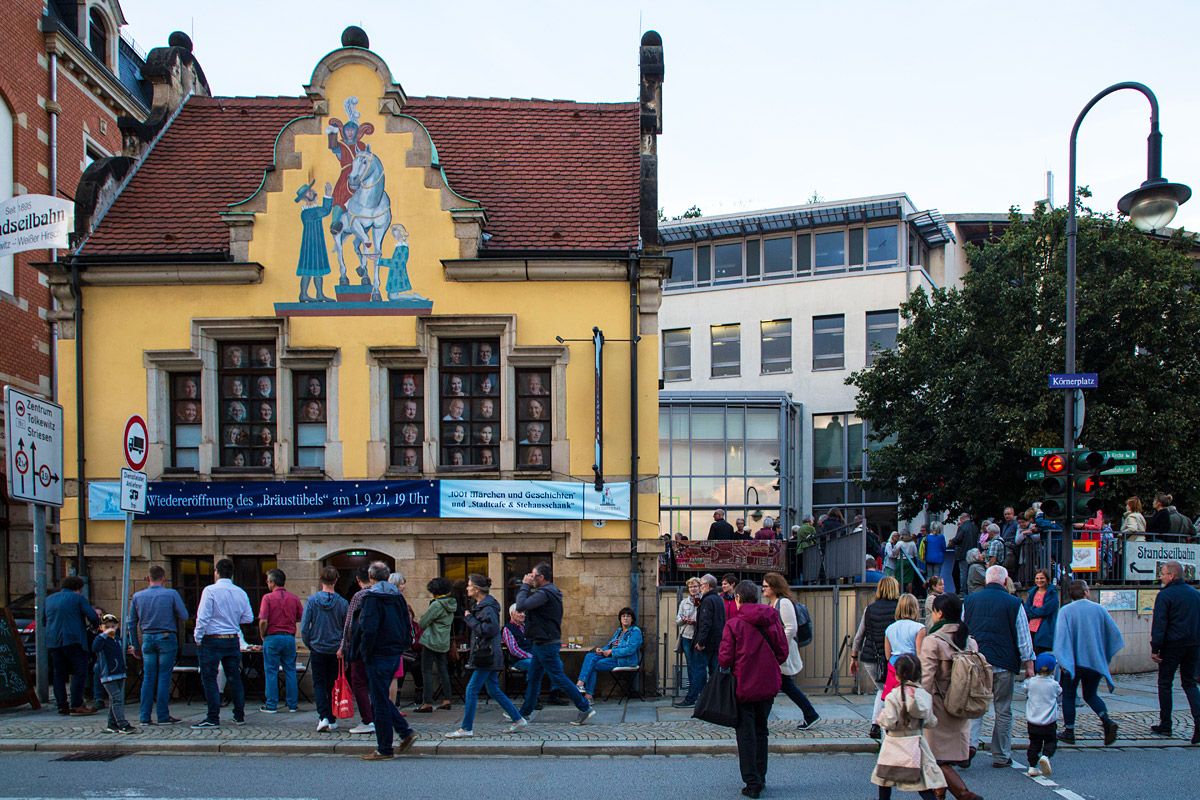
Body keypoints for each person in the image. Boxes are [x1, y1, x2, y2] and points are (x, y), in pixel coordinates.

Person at [718, 579, 788, 799]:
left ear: (738, 598)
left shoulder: (734, 624)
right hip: (767, 683)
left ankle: (752, 782)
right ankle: (761, 775)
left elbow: (725, 658)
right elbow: (782, 651)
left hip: (744, 684)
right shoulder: (771, 617)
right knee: (761, 730)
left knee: (746, 733)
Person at [963, 565, 1035, 768]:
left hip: (977, 663)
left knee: (976, 706)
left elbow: (962, 631)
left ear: (986, 581)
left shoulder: (969, 601)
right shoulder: (1014, 603)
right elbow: (1023, 637)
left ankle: (969, 745)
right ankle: (1001, 755)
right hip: (1004, 663)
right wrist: (1029, 663)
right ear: (1005, 582)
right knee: (1003, 710)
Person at [445, 574, 528, 737]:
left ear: (476, 589)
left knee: (471, 689)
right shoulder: (483, 605)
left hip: (486, 655)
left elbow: (489, 630)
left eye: (469, 585)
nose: (467, 588)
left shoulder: (487, 607)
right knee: (493, 690)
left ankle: (466, 728)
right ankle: (518, 719)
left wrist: (469, 619)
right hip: (487, 654)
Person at [351, 562, 418, 760]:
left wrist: (364, 651)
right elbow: (407, 623)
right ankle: (402, 733)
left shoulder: (372, 597)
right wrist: (403, 644)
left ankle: (386, 747)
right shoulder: (397, 597)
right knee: (380, 697)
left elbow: (368, 628)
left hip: (377, 653)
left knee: (379, 701)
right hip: (394, 652)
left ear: (371, 578)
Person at [515, 562, 596, 724]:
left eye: (533, 575)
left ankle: (584, 707)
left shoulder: (545, 593)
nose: (531, 578)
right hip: (541, 642)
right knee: (533, 677)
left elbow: (521, 606)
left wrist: (524, 586)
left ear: (541, 577)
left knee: (558, 677)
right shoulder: (548, 592)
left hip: (545, 643)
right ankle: (524, 713)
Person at [920, 593, 982, 800]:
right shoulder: (969, 641)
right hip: (962, 703)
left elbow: (926, 679)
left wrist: (919, 707)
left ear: (940, 613)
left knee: (935, 759)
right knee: (943, 757)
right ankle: (940, 794)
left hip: (938, 706)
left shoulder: (933, 641)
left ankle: (964, 794)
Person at [1053, 579, 1123, 745]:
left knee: (1069, 695)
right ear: (1085, 592)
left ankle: (1069, 730)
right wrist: (1102, 653)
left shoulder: (1066, 611)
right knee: (1091, 694)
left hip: (1073, 662)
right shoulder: (1099, 609)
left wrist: (1062, 659)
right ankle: (1106, 720)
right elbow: (1114, 635)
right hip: (1094, 661)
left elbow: (1061, 638)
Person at [870, 653, 946, 800]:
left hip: (894, 744)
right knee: (921, 782)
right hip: (916, 742)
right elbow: (930, 721)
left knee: (885, 779)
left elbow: (890, 720)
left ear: (897, 675)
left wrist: (881, 719)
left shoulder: (894, 696)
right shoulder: (924, 695)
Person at [192, 558, 253, 728]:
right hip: (232, 638)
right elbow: (248, 617)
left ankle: (213, 717)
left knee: (210, 678)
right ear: (232, 573)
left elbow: (202, 617)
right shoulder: (240, 592)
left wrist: (198, 637)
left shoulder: (210, 590)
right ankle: (239, 715)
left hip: (212, 639)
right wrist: (233, 619)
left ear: (216, 572)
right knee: (234, 678)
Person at [128, 565, 188, 725]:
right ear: (164, 578)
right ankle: (162, 715)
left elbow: (131, 623)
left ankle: (144, 717)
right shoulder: (171, 594)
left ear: (148, 578)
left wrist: (135, 644)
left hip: (147, 638)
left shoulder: (137, 596)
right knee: (164, 677)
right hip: (166, 637)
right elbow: (184, 615)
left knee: (148, 677)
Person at [1149, 560, 1200, 743]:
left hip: (1172, 645)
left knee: (1165, 683)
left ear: (1172, 575)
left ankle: (1166, 724)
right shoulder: (1195, 594)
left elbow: (1160, 624)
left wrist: (1156, 647)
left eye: (1162, 573)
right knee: (1190, 684)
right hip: (1193, 644)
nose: (1160, 576)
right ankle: (1199, 724)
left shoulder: (1165, 595)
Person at [762, 572, 820, 729]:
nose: (763, 589)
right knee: (782, 685)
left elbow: (791, 627)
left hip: (782, 651)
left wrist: (779, 645)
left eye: (766, 586)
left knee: (778, 684)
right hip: (778, 650)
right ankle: (810, 713)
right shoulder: (772, 604)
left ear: (775, 587)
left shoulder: (784, 603)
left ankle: (810, 714)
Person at [851, 576, 900, 739]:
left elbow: (860, 635)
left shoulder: (870, 609)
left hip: (871, 657)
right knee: (889, 691)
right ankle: (884, 723)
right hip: (894, 658)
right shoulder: (899, 608)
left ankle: (875, 724)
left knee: (882, 689)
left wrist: (854, 655)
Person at [301, 566, 349, 732]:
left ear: (321, 580)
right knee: (333, 685)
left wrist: (310, 643)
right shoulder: (343, 603)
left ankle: (323, 717)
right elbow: (346, 629)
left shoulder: (312, 601)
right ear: (336, 580)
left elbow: (304, 628)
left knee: (319, 684)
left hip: (318, 648)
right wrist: (343, 647)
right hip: (336, 650)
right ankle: (332, 717)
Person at [46, 576, 101, 716]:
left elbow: (43, 620)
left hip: (54, 641)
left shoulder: (49, 599)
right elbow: (92, 616)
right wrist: (94, 627)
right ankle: (76, 704)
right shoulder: (78, 599)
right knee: (79, 672)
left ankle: (61, 705)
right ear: (78, 588)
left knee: (59, 674)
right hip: (74, 639)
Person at [257, 568, 303, 713]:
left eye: (268, 581)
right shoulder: (294, 598)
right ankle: (292, 704)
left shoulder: (268, 598)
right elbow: (301, 616)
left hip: (272, 636)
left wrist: (262, 634)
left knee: (271, 671)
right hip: (289, 637)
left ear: (272, 582)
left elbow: (263, 620)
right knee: (290, 670)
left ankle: (271, 704)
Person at [574, 607, 642, 701]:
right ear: (620, 618)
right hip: (613, 657)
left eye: (628, 616)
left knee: (593, 664)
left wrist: (611, 652)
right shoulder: (619, 631)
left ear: (632, 619)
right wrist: (602, 650)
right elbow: (610, 645)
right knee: (590, 656)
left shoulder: (635, 631)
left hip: (626, 660)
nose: (625, 618)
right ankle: (582, 686)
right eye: (623, 616)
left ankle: (585, 691)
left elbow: (630, 649)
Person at [339, 566, 376, 735]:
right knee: (377, 684)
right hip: (380, 648)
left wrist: (343, 648)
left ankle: (368, 719)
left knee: (359, 683)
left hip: (360, 646)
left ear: (359, 580)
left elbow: (349, 626)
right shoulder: (384, 594)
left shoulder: (359, 595)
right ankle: (378, 716)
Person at [416, 577, 456, 713]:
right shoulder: (451, 603)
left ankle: (427, 702)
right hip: (443, 641)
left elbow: (422, 623)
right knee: (443, 670)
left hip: (431, 641)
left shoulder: (437, 604)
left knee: (426, 671)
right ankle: (447, 699)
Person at [92, 614, 137, 734]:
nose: (110, 629)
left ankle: (111, 724)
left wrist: (129, 649)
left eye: (113, 626)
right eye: (107, 627)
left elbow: (121, 649)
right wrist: (104, 634)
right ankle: (122, 724)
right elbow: (95, 647)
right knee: (117, 699)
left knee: (115, 699)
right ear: (101, 627)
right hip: (108, 674)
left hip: (119, 673)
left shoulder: (117, 639)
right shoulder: (101, 639)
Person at [882, 594, 926, 710]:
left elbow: (887, 654)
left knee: (893, 701)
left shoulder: (890, 628)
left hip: (894, 665)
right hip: (911, 665)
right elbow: (920, 653)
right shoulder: (919, 628)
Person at [1023, 652, 1062, 777]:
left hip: (1033, 721)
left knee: (1034, 743)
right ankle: (1045, 756)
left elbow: (1024, 688)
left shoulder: (1031, 682)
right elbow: (1060, 692)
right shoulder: (1054, 685)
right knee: (1051, 741)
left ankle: (1032, 767)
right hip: (1049, 721)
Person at [690, 573, 727, 703]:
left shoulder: (707, 600)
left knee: (699, 671)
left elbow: (706, 623)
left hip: (706, 644)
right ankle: (715, 699)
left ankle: (694, 698)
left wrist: (701, 642)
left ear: (707, 586)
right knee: (714, 672)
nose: (699, 587)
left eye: (701, 585)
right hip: (717, 643)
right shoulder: (719, 599)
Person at [672, 578, 702, 708]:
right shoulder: (684, 602)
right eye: (690, 587)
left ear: (700, 587)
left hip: (698, 637)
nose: (693, 589)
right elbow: (677, 619)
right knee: (690, 665)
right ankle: (692, 693)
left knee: (698, 666)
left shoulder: (703, 600)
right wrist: (683, 619)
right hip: (686, 636)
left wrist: (695, 620)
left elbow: (704, 618)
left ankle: (699, 694)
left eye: (695, 586)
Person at [1023, 569, 1059, 655]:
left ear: (1047, 579)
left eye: (1042, 578)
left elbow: (1045, 610)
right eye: (1037, 578)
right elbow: (1026, 609)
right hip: (1031, 628)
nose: (1039, 580)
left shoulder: (1052, 593)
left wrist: (1032, 611)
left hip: (1045, 628)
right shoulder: (1032, 592)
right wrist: (1035, 611)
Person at [503, 604, 533, 673]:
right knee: (534, 663)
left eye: (523, 612)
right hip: (518, 661)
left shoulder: (527, 627)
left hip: (532, 657)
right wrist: (531, 656)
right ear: (512, 614)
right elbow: (514, 649)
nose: (523, 615)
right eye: (519, 612)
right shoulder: (508, 629)